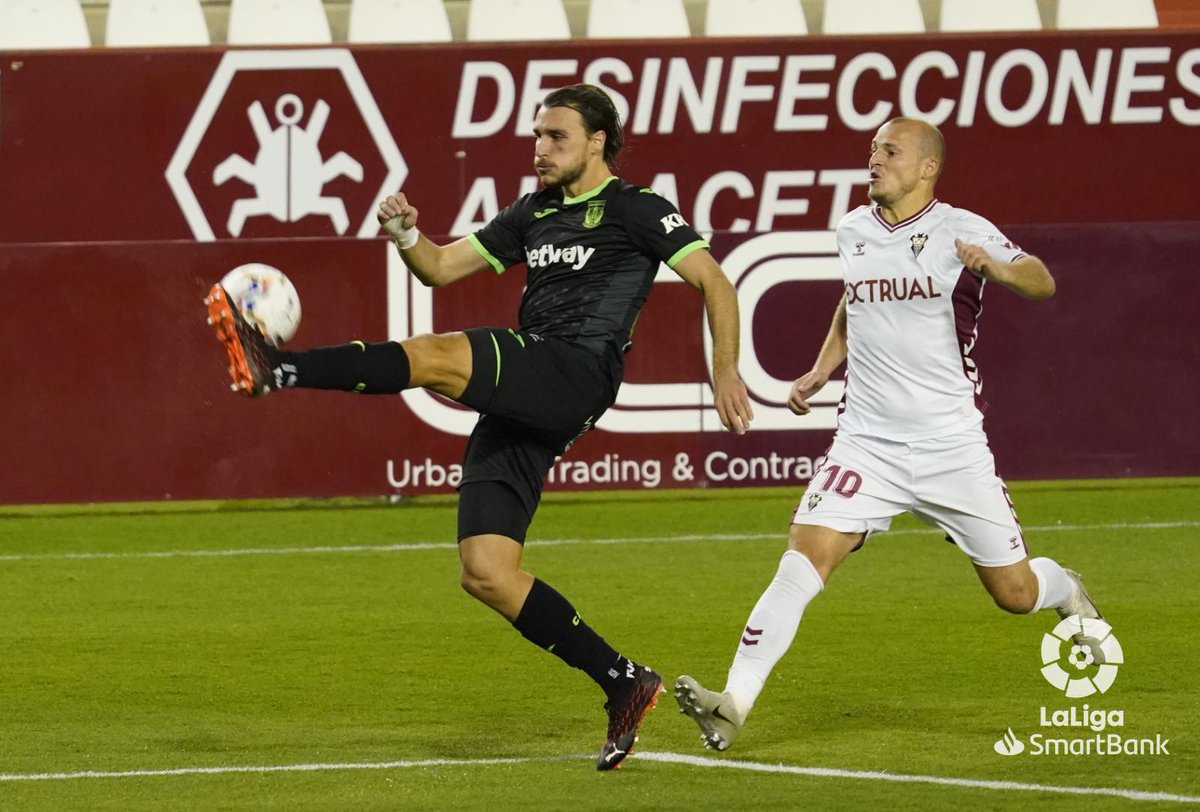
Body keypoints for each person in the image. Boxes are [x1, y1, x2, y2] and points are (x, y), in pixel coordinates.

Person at [204, 83, 754, 771]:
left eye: (556, 136)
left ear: (597, 141)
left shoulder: (635, 209)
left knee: (435, 355)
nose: (540, 148)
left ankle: (275, 369)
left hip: (575, 369)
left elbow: (715, 281)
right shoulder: (533, 213)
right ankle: (622, 680)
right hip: (533, 389)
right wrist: (407, 234)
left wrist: (726, 371)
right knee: (486, 571)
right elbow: (436, 267)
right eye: (537, 136)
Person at [674, 116, 1103, 752]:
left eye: (890, 151)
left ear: (928, 167)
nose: (875, 159)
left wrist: (1000, 269)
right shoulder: (853, 229)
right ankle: (733, 702)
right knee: (802, 557)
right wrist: (823, 367)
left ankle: (1065, 586)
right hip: (866, 444)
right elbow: (854, 301)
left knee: (1015, 594)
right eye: (873, 149)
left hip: (950, 446)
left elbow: (1042, 280)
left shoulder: (962, 229)